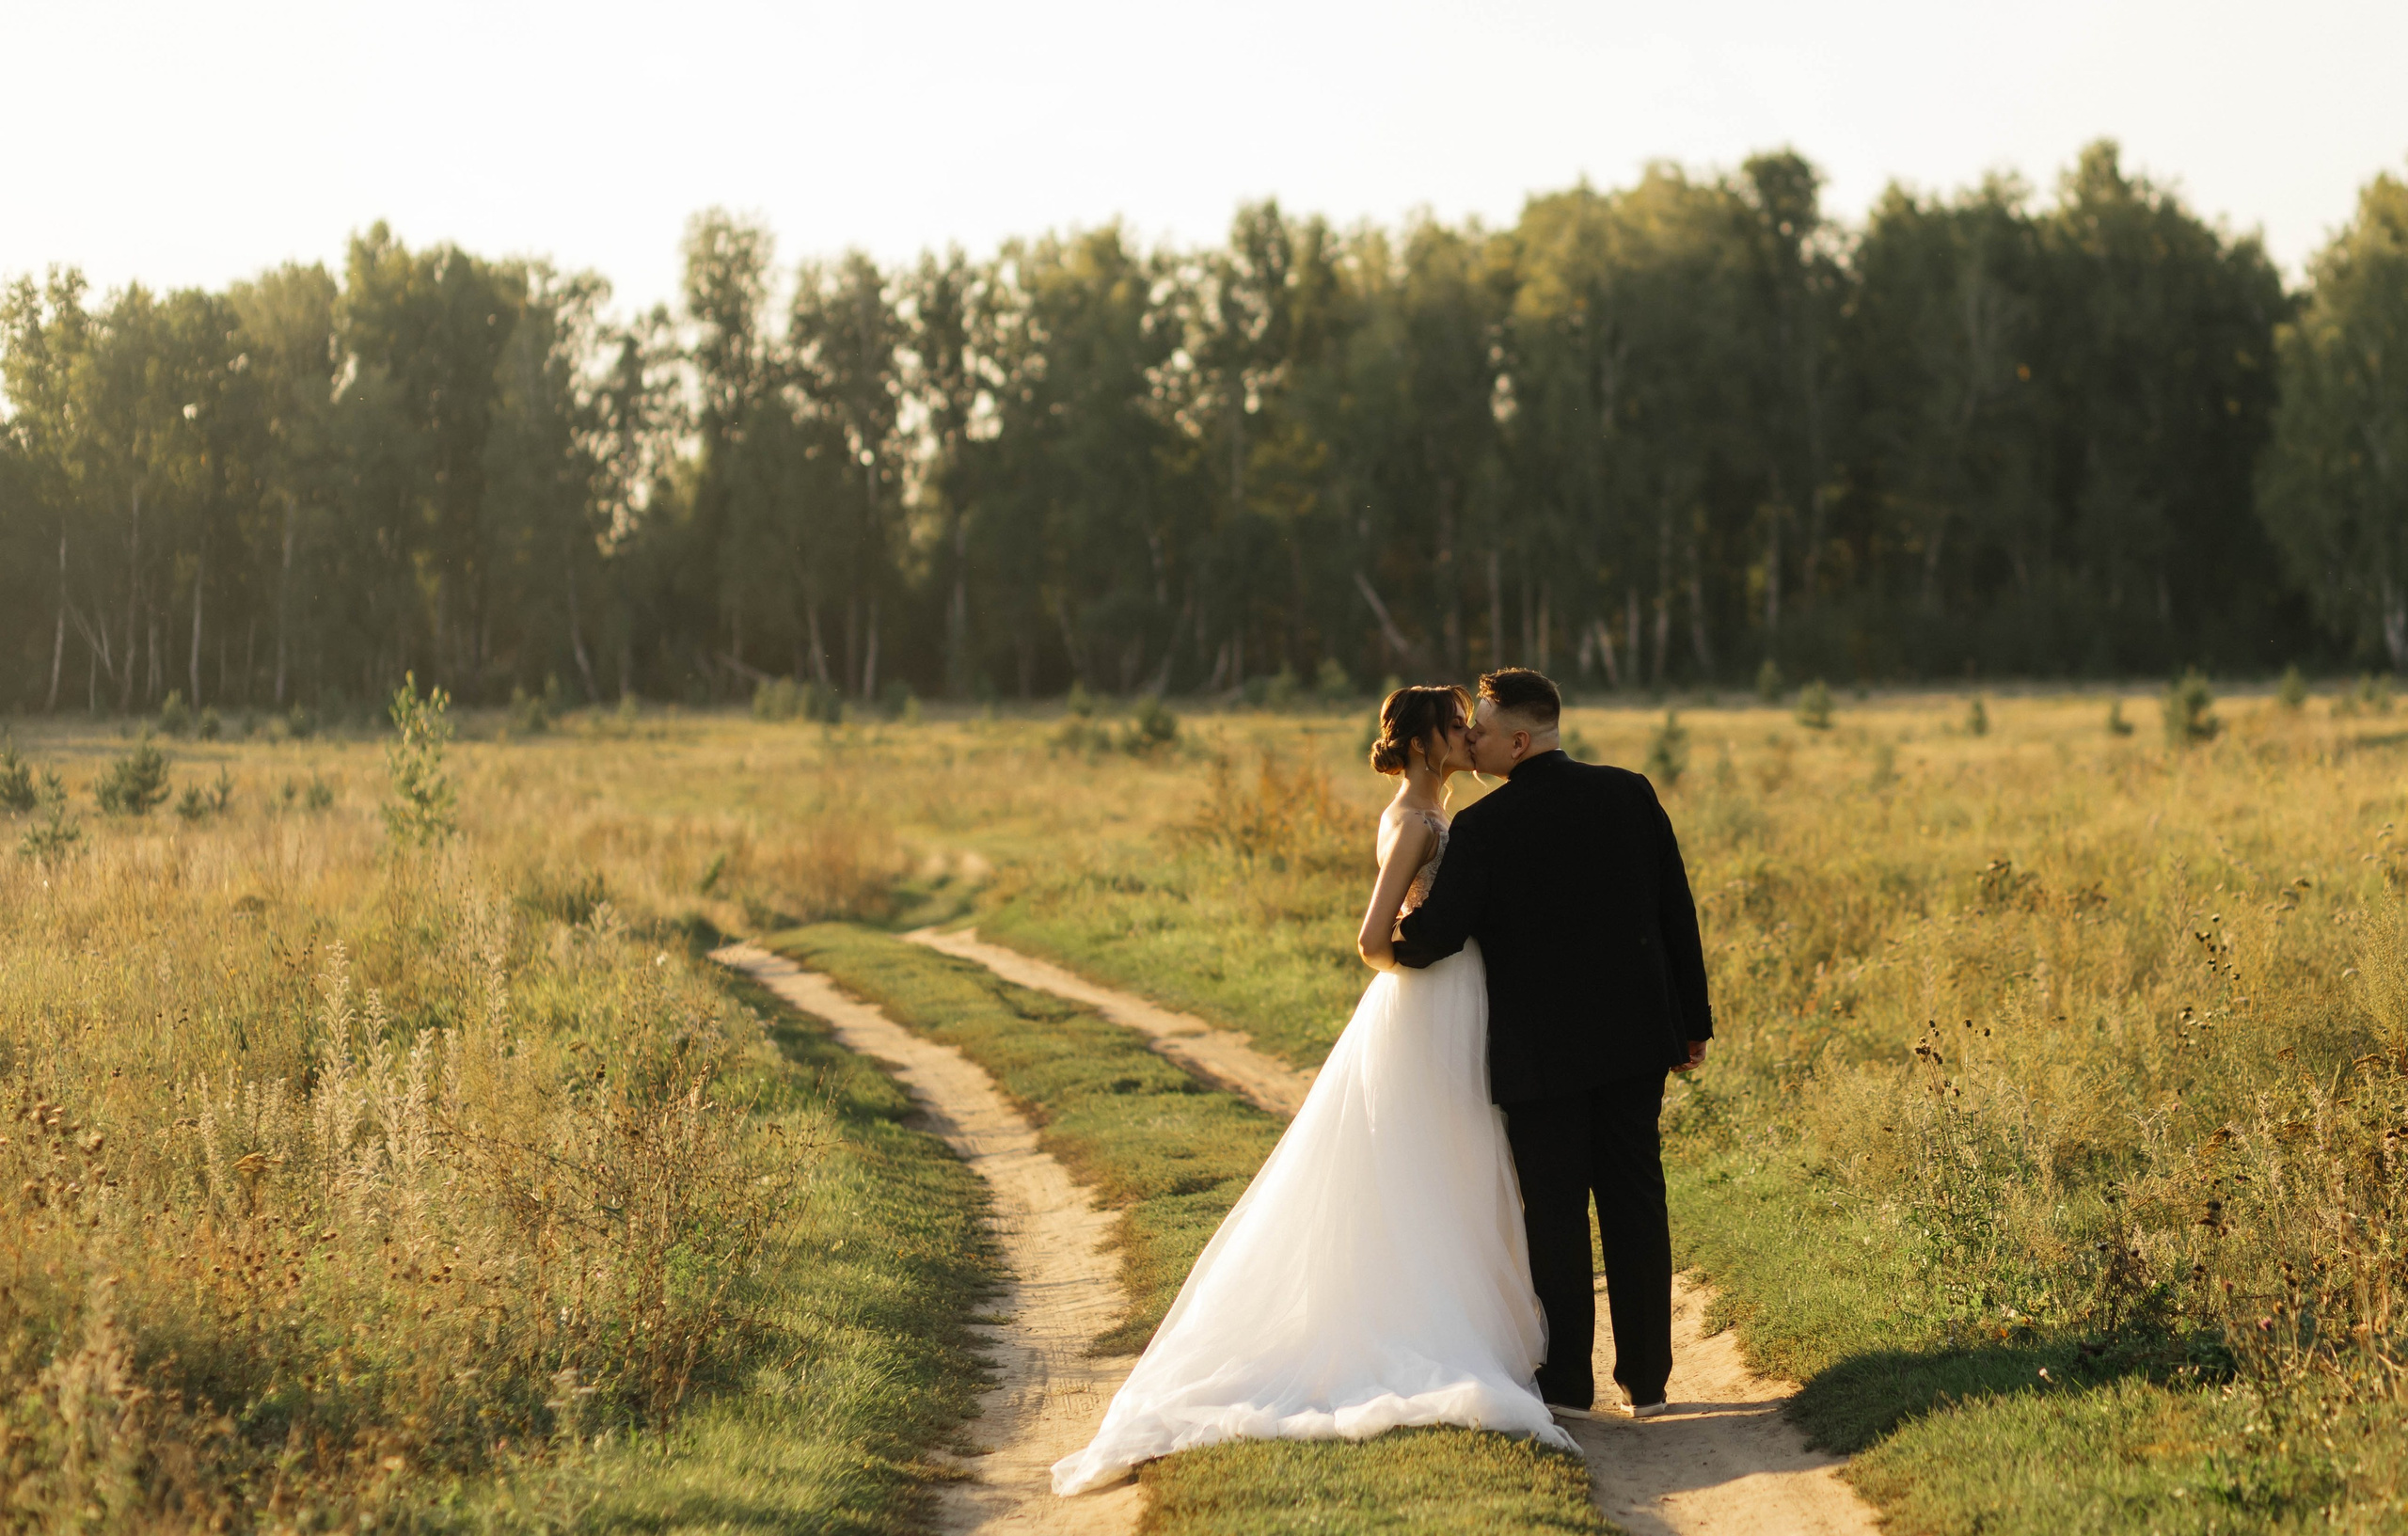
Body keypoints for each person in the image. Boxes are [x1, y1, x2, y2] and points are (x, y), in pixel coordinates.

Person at [1052, 684, 1576, 1496]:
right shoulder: (1414, 821)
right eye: (1455, 726)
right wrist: (1423, 977)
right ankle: (1427, 1328)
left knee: (1454, 1160)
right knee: (1425, 1161)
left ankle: (1454, 1319)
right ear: (1425, 743)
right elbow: (1372, 938)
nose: (1467, 735)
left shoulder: (1436, 814)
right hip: (1427, 1000)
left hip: (1454, 995)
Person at [1393, 667, 1713, 1418]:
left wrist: (1388, 941)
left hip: (1541, 1054)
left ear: (1519, 741)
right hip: (1636, 1038)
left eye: (1481, 731)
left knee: (1556, 1212)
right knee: (1636, 1199)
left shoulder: (1485, 827)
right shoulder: (1630, 792)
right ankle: (1648, 1382)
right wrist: (1692, 1021)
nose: (1471, 740)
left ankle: (1569, 1382)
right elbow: (1677, 910)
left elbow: (1439, 934)